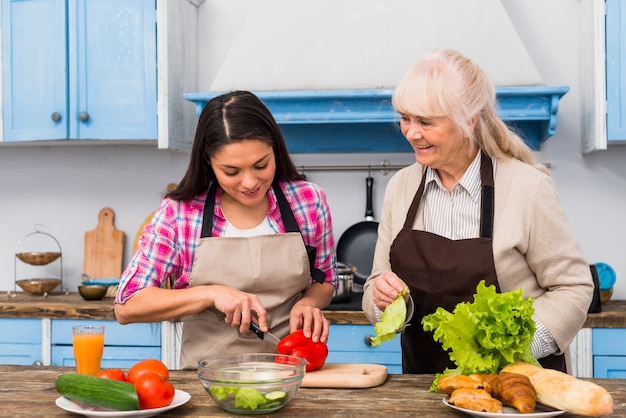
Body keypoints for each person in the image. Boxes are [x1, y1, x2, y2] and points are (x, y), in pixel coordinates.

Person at [362, 49, 593, 374]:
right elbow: (376, 285)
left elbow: (573, 288)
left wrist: (514, 349)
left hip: (518, 386)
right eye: (405, 117)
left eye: (426, 121)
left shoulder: (526, 187)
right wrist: (382, 299)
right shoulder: (401, 187)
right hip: (428, 387)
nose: (411, 133)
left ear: (468, 120)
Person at [115, 90, 337, 369]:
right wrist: (211, 293)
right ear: (208, 162)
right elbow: (127, 304)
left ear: (275, 150)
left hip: (291, 375)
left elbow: (325, 279)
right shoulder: (179, 215)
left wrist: (308, 303)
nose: (249, 182)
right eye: (231, 171)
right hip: (208, 382)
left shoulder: (307, 201)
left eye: (261, 165)